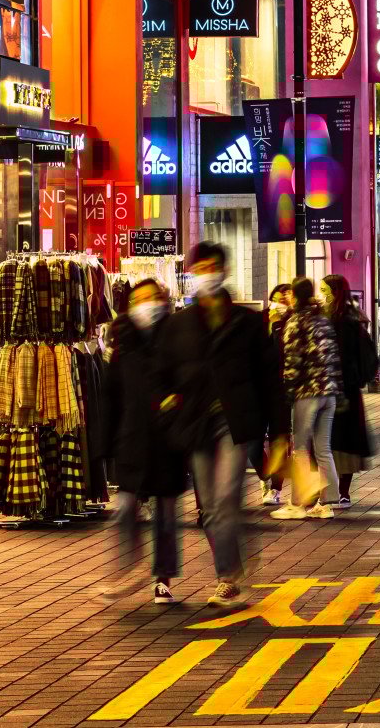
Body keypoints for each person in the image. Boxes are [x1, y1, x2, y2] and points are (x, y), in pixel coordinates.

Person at [156, 241, 273, 609]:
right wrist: (168, 401)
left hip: (234, 422)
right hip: (195, 424)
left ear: (223, 270)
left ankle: (228, 578)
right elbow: (162, 372)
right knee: (209, 507)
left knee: (224, 500)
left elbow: (270, 377)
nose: (205, 274)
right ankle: (236, 561)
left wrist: (280, 434)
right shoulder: (178, 324)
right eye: (199, 268)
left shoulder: (248, 322)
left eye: (211, 267)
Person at [98, 279, 187, 604]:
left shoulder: (177, 337)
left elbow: (187, 383)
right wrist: (104, 443)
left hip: (168, 440)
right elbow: (110, 396)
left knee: (165, 514)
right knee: (125, 509)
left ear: (163, 301)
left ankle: (162, 578)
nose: (146, 304)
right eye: (139, 299)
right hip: (132, 439)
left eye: (152, 298)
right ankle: (127, 569)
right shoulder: (122, 343)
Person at [270, 277, 342, 520]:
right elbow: (333, 358)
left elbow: (292, 362)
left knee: (300, 449)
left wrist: (288, 391)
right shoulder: (323, 320)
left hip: (306, 393)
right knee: (324, 449)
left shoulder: (295, 322)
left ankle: (297, 503)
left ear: (296, 296)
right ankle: (328, 503)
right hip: (328, 392)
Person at [324, 273, 380, 509]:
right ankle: (338, 491)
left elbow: (360, 357)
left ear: (335, 292)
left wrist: (353, 379)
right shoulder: (347, 318)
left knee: (339, 440)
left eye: (325, 290)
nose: (322, 295)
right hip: (339, 388)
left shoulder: (344, 321)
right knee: (334, 440)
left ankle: (341, 491)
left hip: (342, 389)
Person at [260, 282, 296, 507]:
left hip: (282, 390)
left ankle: (275, 487)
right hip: (259, 387)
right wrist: (270, 326)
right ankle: (265, 475)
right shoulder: (261, 319)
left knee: (279, 439)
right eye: (278, 296)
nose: (282, 300)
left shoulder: (295, 321)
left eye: (287, 297)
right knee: (253, 441)